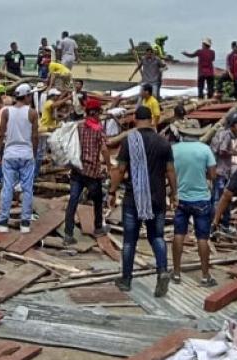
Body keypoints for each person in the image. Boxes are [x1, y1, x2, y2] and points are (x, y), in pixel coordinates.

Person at [109, 106, 176, 296]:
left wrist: (112, 191)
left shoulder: (131, 141)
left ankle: (126, 279)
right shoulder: (163, 143)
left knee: (130, 241)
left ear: (136, 120)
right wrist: (174, 193)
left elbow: (120, 170)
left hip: (134, 198)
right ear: (151, 120)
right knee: (157, 237)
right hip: (157, 198)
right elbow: (170, 170)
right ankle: (162, 271)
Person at [170, 120, 218, 287]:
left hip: (181, 198)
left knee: (178, 235)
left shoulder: (174, 149)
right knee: (202, 238)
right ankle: (205, 276)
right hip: (201, 199)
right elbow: (213, 175)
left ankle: (175, 273)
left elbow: (169, 172)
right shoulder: (205, 150)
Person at [62, 96, 110, 245]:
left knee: (73, 200)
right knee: (97, 200)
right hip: (92, 171)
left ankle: (68, 234)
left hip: (77, 169)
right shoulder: (98, 129)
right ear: (95, 113)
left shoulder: (79, 126)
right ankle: (97, 227)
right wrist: (108, 165)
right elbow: (104, 149)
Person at [0, 83, 39, 233]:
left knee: (7, 187)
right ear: (26, 96)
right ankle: (25, 222)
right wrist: (34, 153)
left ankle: (3, 221)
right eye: (30, 95)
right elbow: (35, 136)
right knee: (27, 188)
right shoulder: (32, 113)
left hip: (10, 154)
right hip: (26, 154)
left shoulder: (6, 112)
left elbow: (1, 133)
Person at [210, 112, 237, 237]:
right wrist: (236, 152)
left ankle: (217, 223)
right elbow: (222, 150)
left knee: (219, 198)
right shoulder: (227, 135)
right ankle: (223, 224)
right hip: (221, 171)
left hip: (218, 170)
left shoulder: (221, 133)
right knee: (222, 198)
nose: (234, 130)